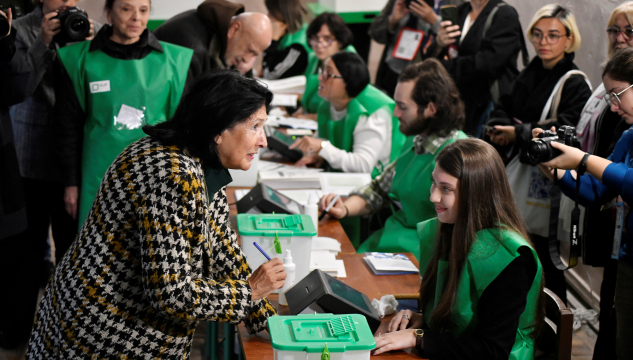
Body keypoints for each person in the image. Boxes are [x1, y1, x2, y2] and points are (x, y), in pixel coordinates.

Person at [26, 70, 286, 358]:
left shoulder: (198, 159)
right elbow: (170, 293)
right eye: (255, 126)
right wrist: (249, 292)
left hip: (107, 320)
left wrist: (264, 317)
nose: (263, 141)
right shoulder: (173, 176)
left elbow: (222, 247)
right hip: (101, 333)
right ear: (218, 129)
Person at [373, 138, 544, 360]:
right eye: (434, 183)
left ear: (477, 193)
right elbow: (464, 319)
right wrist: (424, 320)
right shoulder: (448, 229)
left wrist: (420, 337)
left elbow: (491, 350)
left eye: (446, 189)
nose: (433, 196)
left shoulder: (512, 258)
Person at [0, 0, 98, 350]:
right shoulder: (19, 29)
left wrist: (84, 46)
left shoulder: (91, 31)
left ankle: (68, 336)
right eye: (59, 0)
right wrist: (42, 43)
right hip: (30, 157)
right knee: (24, 258)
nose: (66, 6)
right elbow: (17, 89)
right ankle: (16, 335)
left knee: (74, 254)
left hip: (74, 161)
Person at [56, 0, 194, 229]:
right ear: (109, 13)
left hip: (156, 176)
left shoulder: (175, 62)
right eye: (126, 9)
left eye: (143, 10)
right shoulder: (78, 61)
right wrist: (71, 184)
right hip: (97, 177)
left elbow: (185, 127)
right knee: (98, 251)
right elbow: (67, 126)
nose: (136, 18)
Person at [486, 4, 591, 304]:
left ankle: (553, 334)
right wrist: (499, 126)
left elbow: (568, 127)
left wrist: (517, 132)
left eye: (553, 35)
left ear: (569, 40)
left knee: (545, 257)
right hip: (520, 171)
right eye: (537, 34)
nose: (543, 42)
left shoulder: (573, 81)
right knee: (521, 251)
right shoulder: (529, 72)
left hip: (547, 181)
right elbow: (504, 103)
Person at [535, 47, 633, 360]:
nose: (614, 108)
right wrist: (557, 168)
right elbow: (595, 192)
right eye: (609, 98)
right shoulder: (629, 137)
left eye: (618, 94)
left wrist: (585, 159)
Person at [319, 59, 467, 259]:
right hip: (394, 243)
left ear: (431, 109)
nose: (395, 113)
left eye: (402, 107)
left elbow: (461, 230)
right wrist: (344, 208)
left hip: (422, 253)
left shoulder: (459, 155)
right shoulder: (416, 141)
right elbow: (379, 189)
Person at [290, 52, 405, 177]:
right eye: (321, 72)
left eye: (328, 74)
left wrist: (323, 148)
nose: (320, 77)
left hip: (373, 185)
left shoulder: (369, 112)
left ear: (348, 81)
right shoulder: (328, 104)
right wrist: (318, 156)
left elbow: (363, 165)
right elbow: (323, 141)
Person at [427, 0, 525, 134]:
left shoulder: (504, 14)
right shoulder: (461, 10)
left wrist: (443, 67)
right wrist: (438, 44)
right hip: (456, 101)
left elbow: (487, 64)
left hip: (483, 106)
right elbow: (432, 56)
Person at [369, 0, 465, 98]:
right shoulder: (399, 2)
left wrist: (434, 20)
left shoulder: (456, 3)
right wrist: (392, 20)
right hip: (395, 71)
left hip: (432, 77)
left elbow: (459, 42)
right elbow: (374, 32)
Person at [153, 0, 272, 78]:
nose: (247, 60)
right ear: (234, 30)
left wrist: (241, 73)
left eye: (254, 55)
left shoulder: (218, 31)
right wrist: (236, 77)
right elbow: (197, 107)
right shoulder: (191, 46)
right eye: (250, 50)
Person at [292, 12, 354, 119]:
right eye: (315, 38)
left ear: (340, 41)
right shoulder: (314, 59)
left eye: (327, 38)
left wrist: (309, 117)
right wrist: (301, 111)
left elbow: (344, 112)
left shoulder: (348, 63)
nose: (319, 44)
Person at [261, 0, 310, 79]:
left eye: (272, 12)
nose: (268, 16)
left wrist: (273, 40)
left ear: (282, 13)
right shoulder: (286, 35)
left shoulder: (298, 45)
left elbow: (269, 75)